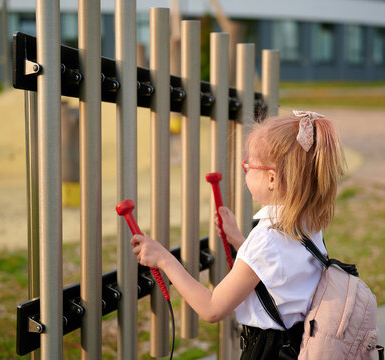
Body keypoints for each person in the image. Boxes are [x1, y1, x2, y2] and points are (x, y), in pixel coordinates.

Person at [131, 110, 346, 358]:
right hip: (299, 344)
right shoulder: (307, 224)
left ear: (272, 178)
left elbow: (212, 309)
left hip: (269, 352)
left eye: (249, 165)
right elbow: (278, 274)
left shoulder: (266, 240)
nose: (245, 170)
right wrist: (239, 241)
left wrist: (164, 259)